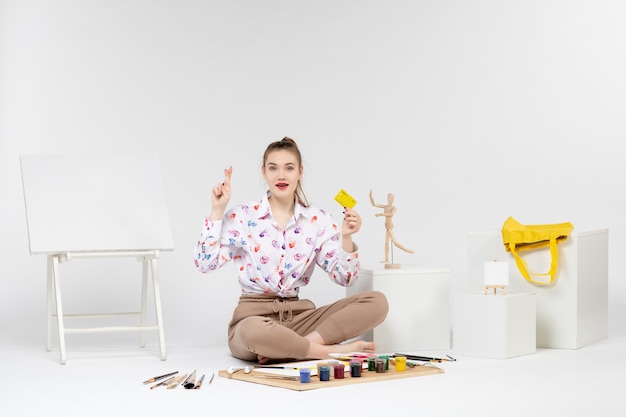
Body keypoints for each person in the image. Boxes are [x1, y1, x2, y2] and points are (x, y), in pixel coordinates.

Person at [194, 137, 388, 364]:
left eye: (289, 168)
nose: (281, 176)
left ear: (300, 172)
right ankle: (326, 351)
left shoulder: (318, 220)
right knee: (253, 332)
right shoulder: (243, 216)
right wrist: (217, 210)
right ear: (264, 172)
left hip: (300, 319)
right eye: (273, 168)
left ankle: (297, 346)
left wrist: (346, 238)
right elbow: (204, 264)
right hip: (253, 318)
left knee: (377, 302)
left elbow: (346, 277)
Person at [369, 190, 415, 265]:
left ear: (393, 199)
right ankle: (386, 259)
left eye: (391, 198)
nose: (389, 199)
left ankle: (408, 250)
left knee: (395, 242)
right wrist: (370, 196)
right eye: (388, 197)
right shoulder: (385, 206)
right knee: (386, 243)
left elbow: (390, 214)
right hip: (386, 225)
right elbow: (374, 204)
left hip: (390, 225)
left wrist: (381, 214)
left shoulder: (394, 207)